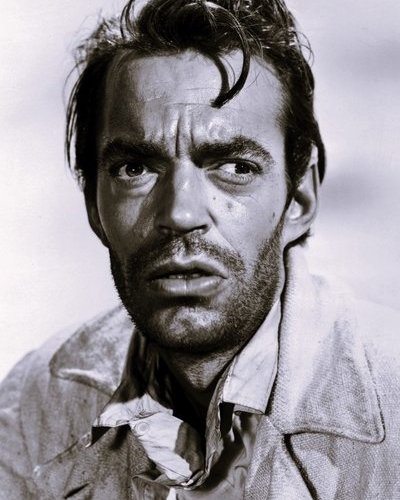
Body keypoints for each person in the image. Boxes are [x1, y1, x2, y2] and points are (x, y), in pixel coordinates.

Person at [0, 0, 399, 498]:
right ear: (93, 206)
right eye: (135, 169)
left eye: (234, 168)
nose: (181, 213)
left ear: (299, 197)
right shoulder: (34, 406)